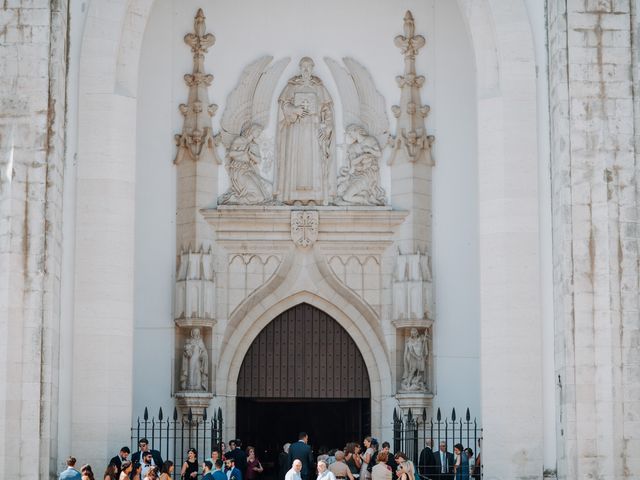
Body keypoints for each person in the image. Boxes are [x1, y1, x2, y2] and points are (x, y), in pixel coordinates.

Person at [275, 56, 334, 205]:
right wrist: (294, 109)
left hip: (314, 129)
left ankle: (315, 196)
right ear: (300, 69)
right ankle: (293, 196)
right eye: (303, 67)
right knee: (296, 159)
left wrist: (326, 127)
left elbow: (327, 111)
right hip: (296, 129)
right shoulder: (292, 86)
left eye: (309, 67)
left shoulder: (319, 88)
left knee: (314, 161)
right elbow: (284, 106)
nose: (306, 70)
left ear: (312, 68)